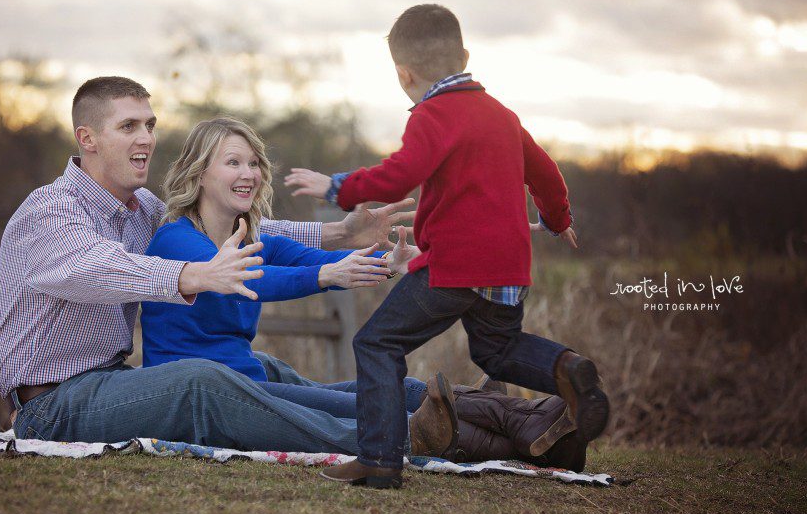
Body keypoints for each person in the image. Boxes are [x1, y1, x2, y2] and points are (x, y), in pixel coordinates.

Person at [0, 75, 418, 454]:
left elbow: (244, 229)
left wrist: (340, 235)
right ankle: (393, 440)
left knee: (268, 370)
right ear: (88, 139)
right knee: (201, 380)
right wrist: (194, 274)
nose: (146, 138)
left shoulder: (141, 211)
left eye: (150, 125)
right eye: (128, 126)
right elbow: (96, 269)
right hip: (52, 406)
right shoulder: (50, 212)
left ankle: (446, 407)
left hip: (111, 384)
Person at [286, 4, 610, 488]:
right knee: (498, 350)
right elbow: (544, 173)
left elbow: (401, 174)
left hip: (455, 265)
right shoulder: (502, 115)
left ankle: (379, 460)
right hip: (508, 266)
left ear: (403, 74)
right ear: (464, 54)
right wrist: (557, 219)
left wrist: (338, 188)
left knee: (378, 343)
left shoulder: (433, 116)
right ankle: (566, 367)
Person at [141, 115, 586, 466]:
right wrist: (326, 278)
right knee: (356, 411)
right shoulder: (176, 240)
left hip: (248, 381)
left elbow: (321, 261)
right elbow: (247, 283)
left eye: (254, 163)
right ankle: (520, 430)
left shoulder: (255, 237)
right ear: (199, 174)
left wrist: (386, 264)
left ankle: (521, 421)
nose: (249, 173)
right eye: (233, 162)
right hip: (206, 398)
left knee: (384, 391)